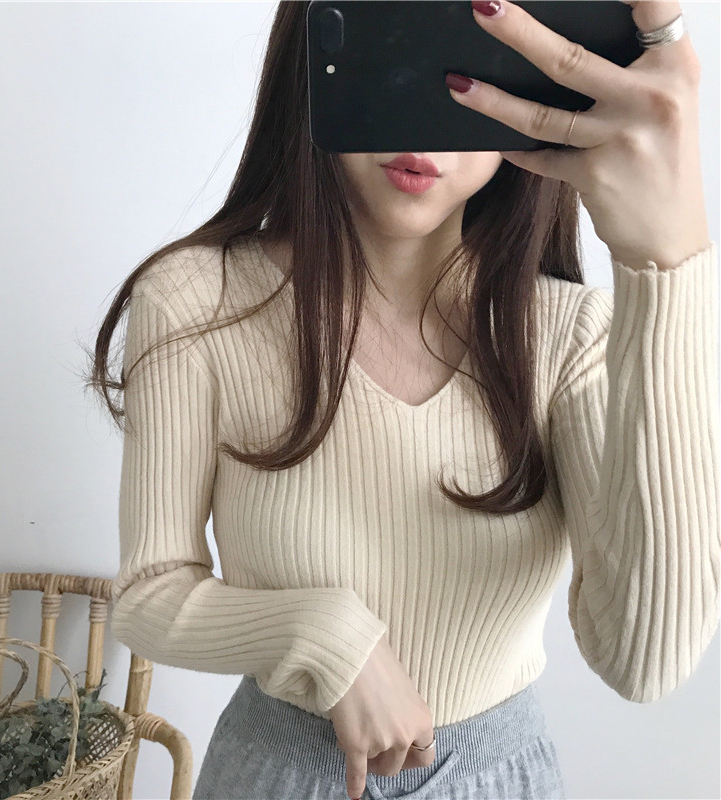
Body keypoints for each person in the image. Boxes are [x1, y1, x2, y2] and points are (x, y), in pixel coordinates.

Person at [88, 1, 719, 798]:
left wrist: (665, 262)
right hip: (276, 775)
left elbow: (646, 663)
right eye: (399, 48)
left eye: (470, 65)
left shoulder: (567, 337)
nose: (426, 129)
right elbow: (148, 595)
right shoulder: (195, 302)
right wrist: (324, 637)